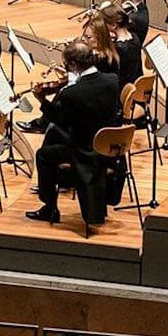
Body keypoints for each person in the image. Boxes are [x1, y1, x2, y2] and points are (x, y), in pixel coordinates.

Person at [26, 41, 125, 228]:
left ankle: (49, 206)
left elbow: (58, 120)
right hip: (109, 148)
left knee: (44, 154)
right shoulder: (112, 80)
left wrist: (42, 100)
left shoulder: (73, 93)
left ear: (72, 65)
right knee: (55, 136)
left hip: (85, 151)